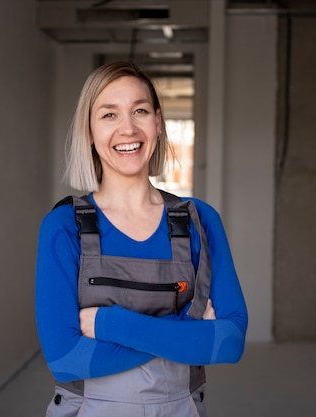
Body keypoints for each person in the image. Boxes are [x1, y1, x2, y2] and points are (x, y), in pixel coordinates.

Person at [35, 61, 247, 417]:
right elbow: (67, 359)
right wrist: (188, 333)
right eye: (109, 115)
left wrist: (110, 324)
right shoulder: (63, 226)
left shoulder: (199, 220)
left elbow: (228, 342)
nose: (128, 128)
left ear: (158, 122)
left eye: (140, 111)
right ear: (89, 130)